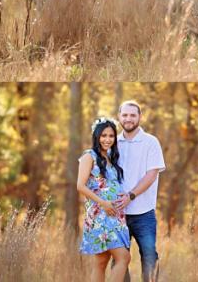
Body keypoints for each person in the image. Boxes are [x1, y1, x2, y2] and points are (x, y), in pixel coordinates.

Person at [113, 101, 166, 282]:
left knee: (150, 256)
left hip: (144, 213)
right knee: (119, 260)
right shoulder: (112, 142)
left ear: (140, 117)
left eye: (132, 115)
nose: (128, 119)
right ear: (119, 117)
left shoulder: (151, 142)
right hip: (118, 214)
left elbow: (151, 175)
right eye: (125, 115)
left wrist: (131, 196)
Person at [77, 117, 131, 282]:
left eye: (111, 136)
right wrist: (103, 203)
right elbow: (80, 185)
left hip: (116, 215)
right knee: (124, 257)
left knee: (101, 262)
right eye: (104, 136)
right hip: (100, 215)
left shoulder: (111, 158)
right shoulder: (89, 156)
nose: (107, 139)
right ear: (96, 136)